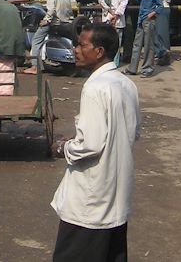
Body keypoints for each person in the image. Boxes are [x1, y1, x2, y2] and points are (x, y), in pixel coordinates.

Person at [50, 23, 140, 262]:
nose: (76, 49)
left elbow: (89, 145)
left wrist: (63, 147)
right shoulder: (126, 84)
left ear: (99, 52)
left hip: (91, 200)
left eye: (82, 45)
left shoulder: (95, 87)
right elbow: (130, 131)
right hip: (116, 195)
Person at [23, 0, 72, 74]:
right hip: (66, 21)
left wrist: (46, 20)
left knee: (36, 40)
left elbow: (51, 9)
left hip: (54, 22)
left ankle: (35, 67)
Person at [125, 0, 162, 78]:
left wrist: (152, 13)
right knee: (137, 44)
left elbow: (160, 6)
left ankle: (147, 69)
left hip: (149, 20)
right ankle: (132, 68)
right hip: (141, 19)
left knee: (148, 45)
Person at [97, 0, 128, 67]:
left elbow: (101, 0)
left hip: (107, 17)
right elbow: (124, 2)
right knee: (117, 42)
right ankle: (115, 64)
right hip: (118, 19)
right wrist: (116, 14)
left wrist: (109, 11)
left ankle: (106, 63)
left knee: (106, 41)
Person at [153, 0, 172, 66]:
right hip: (159, 9)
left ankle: (165, 55)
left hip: (163, 8)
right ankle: (160, 53)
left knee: (162, 33)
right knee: (158, 33)